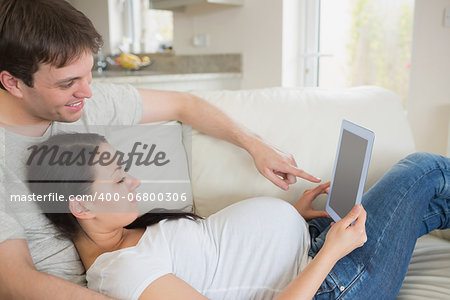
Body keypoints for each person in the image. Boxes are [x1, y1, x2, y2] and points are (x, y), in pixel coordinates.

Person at [0, 0, 321, 298]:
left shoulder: (87, 105)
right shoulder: (124, 269)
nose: (87, 92)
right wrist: (141, 290)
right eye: (68, 83)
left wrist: (257, 146)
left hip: (298, 251)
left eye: (90, 74)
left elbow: (185, 104)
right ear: (13, 83)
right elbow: (15, 280)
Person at [26, 133, 450, 300]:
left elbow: (224, 255)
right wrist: (331, 253)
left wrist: (293, 216)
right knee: (423, 171)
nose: (134, 182)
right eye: (118, 181)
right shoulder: (122, 275)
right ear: (80, 207)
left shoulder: (127, 234)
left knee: (432, 203)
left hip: (315, 243)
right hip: (333, 282)